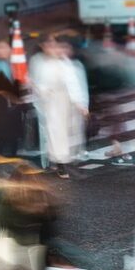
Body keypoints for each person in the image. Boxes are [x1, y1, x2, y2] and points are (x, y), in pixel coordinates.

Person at [29, 37, 89, 178]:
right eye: (49, 45)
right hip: (51, 104)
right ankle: (59, 164)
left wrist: (80, 104)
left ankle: (61, 162)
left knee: (64, 133)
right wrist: (42, 91)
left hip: (64, 102)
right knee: (54, 133)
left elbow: (73, 83)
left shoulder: (64, 63)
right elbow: (37, 83)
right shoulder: (40, 62)